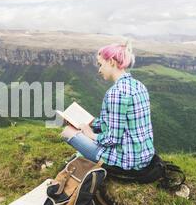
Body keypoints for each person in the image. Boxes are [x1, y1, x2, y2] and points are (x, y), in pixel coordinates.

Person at [61, 41, 155, 170]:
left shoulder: (116, 93)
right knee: (85, 130)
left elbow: (112, 139)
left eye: (100, 64)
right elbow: (119, 124)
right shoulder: (138, 85)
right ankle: (81, 155)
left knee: (67, 132)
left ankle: (82, 157)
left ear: (111, 61)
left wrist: (91, 134)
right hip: (144, 155)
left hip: (126, 161)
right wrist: (91, 123)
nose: (99, 70)